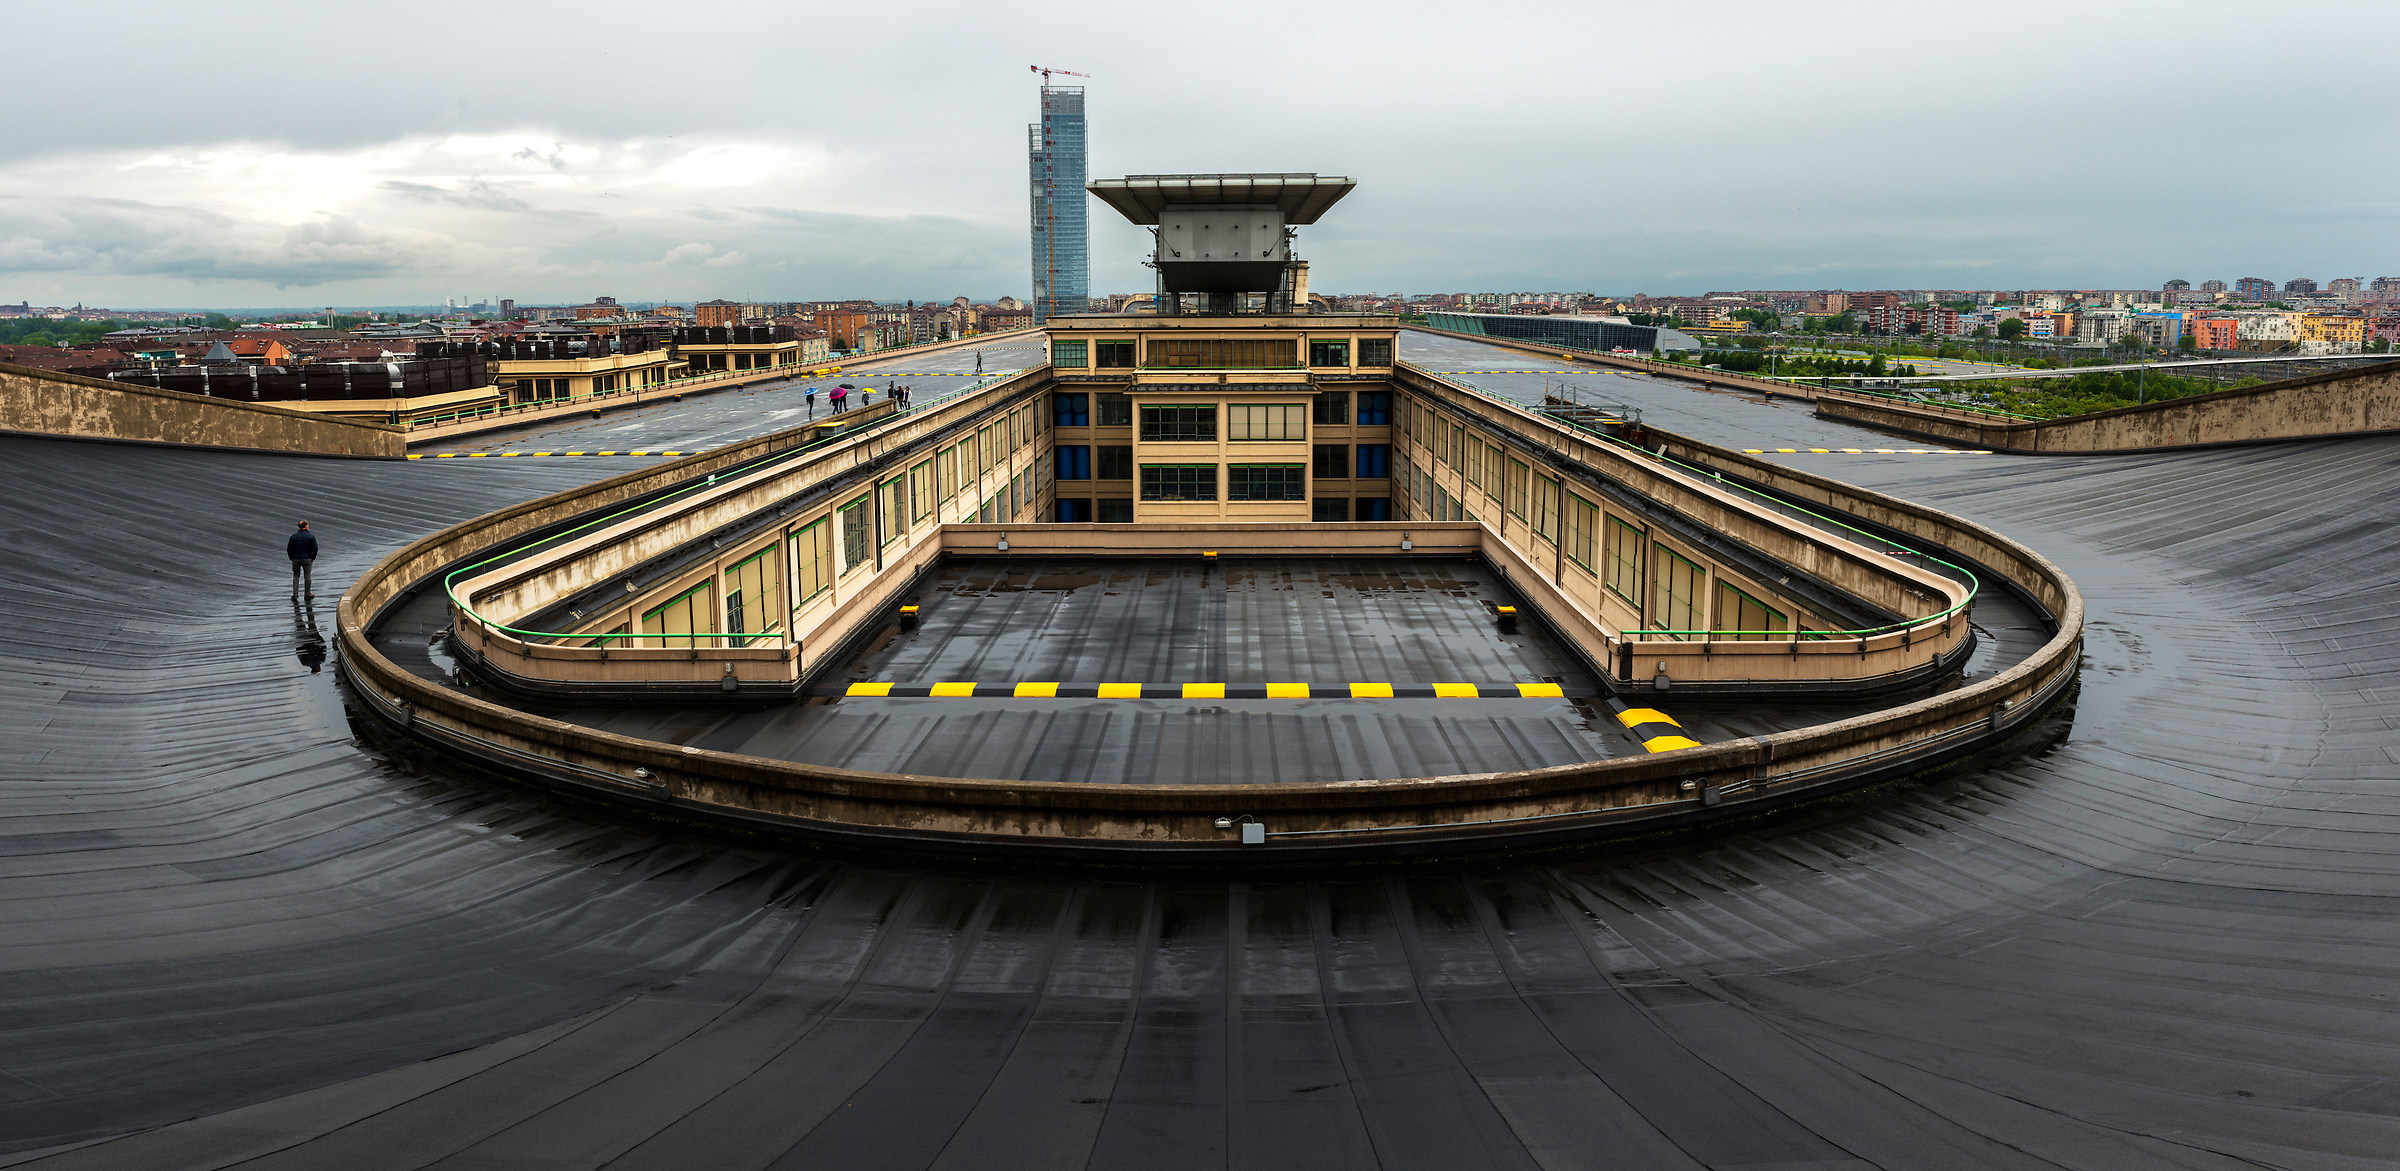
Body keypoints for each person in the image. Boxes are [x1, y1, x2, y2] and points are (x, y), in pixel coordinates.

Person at [287, 521, 317, 598]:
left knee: (296, 576)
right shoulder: (311, 536)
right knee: (307, 576)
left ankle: (295, 593)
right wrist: (313, 557)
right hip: (307, 558)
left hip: (296, 558)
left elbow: (289, 549)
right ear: (306, 526)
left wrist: (291, 557)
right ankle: (307, 593)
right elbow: (315, 549)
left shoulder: (293, 537)